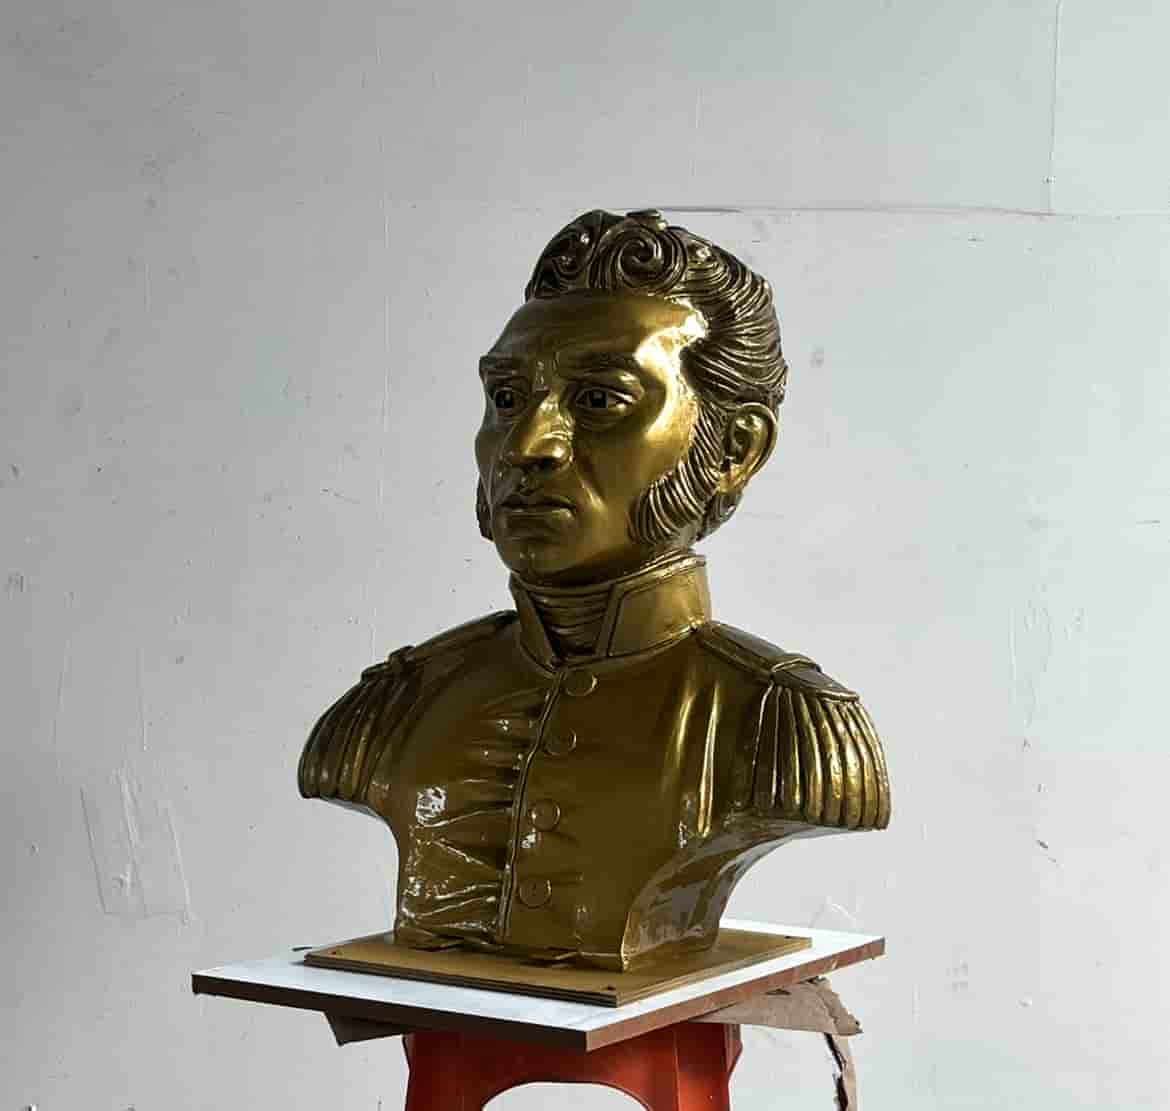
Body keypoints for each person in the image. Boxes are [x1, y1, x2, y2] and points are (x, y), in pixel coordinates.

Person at [299, 209, 890, 971]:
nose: (526, 446)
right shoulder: (394, 708)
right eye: (507, 398)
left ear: (735, 449)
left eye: (600, 401)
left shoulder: (785, 725)